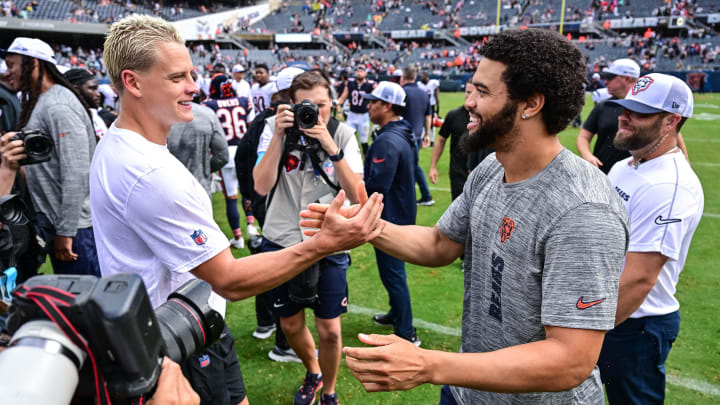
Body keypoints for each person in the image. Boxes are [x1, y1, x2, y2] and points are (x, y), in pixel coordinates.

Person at [301, 28, 629, 404]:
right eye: (472, 88)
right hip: (468, 392)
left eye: (483, 92)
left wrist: (429, 364)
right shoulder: (492, 167)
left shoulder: (583, 211)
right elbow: (441, 243)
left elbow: (571, 360)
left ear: (531, 104)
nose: (469, 102)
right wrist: (366, 226)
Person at [92, 15, 383, 405]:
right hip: (179, 337)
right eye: (177, 77)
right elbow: (229, 278)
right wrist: (322, 245)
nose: (194, 87)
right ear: (133, 82)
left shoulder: (121, 146)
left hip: (185, 323)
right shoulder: (149, 171)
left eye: (191, 74)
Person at [253, 71, 364, 405]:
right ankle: (313, 371)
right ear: (292, 104)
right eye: (307, 105)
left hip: (327, 240)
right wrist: (277, 136)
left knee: (330, 329)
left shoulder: (343, 134)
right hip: (282, 236)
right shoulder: (275, 130)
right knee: (288, 323)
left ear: (333, 104)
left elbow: (357, 194)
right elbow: (260, 185)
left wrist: (331, 147)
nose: (316, 113)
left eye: (323, 106)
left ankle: (329, 390)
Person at [598, 73, 704, 405]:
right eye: (625, 107)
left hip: (635, 324)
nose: (624, 116)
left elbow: (640, 277)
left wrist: (585, 327)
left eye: (640, 111)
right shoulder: (627, 165)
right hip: (611, 309)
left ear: (671, 120)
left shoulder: (667, 186)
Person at [1, 37, 101, 277]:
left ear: (34, 64)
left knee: (85, 302)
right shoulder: (41, 101)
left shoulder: (58, 105)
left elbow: (76, 171)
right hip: (55, 222)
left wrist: (66, 232)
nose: (7, 73)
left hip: (74, 228)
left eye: (12, 65)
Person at [363, 81, 420, 345]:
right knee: (392, 273)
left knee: (393, 274)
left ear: (387, 106)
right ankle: (397, 313)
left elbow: (377, 186)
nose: (369, 106)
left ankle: (406, 331)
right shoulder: (402, 132)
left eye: (374, 102)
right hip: (402, 212)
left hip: (391, 217)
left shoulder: (388, 140)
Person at [202, 74, 257, 248]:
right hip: (243, 151)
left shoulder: (208, 105)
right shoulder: (243, 101)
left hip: (225, 152)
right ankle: (251, 226)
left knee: (231, 197)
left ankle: (238, 238)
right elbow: (252, 127)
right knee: (247, 191)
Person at [577, 58, 640, 174]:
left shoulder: (647, 107)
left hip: (636, 176)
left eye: (610, 78)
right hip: (602, 175)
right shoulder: (603, 106)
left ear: (627, 78)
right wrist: (587, 155)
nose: (605, 82)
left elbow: (673, 136)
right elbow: (583, 137)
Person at [167, 102, 229, 196]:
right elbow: (222, 156)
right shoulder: (208, 114)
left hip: (170, 187)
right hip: (200, 186)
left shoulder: (158, 115)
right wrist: (203, 169)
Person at [429, 79, 474, 201]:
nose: (469, 95)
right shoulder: (453, 115)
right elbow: (441, 140)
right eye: (467, 91)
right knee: (459, 215)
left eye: (473, 92)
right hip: (458, 174)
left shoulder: (486, 117)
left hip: (479, 175)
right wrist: (433, 166)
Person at [400, 66, 434, 206]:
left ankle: (424, 195)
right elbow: (428, 116)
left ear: (403, 77)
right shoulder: (423, 93)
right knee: (412, 164)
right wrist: (427, 134)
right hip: (418, 135)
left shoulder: (403, 92)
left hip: (404, 135)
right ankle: (423, 195)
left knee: (411, 166)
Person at [336, 66, 375, 156]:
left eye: (362, 70)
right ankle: (346, 159)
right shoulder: (350, 84)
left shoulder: (370, 85)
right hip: (352, 115)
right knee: (346, 139)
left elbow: (374, 100)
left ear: (365, 73)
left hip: (363, 116)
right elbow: (342, 98)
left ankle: (367, 162)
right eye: (358, 70)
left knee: (364, 141)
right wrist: (337, 108)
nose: (359, 72)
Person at [63, 68, 109, 139]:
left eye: (97, 89)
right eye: (92, 88)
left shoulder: (95, 115)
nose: (98, 94)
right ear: (76, 90)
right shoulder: (70, 121)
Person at [417, 71, 440, 145]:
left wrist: (438, 106)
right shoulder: (419, 84)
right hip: (422, 105)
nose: (421, 78)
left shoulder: (433, 83)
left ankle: (432, 140)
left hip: (431, 105)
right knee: (422, 123)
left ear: (427, 77)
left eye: (422, 77)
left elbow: (436, 94)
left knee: (432, 123)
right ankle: (423, 138)